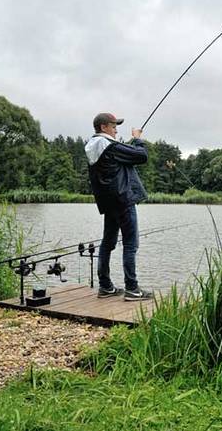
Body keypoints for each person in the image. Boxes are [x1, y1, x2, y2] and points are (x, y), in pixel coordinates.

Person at [84, 112, 153, 301]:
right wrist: (138, 139)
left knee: (107, 243)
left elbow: (118, 158)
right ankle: (132, 289)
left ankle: (105, 286)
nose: (116, 130)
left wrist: (128, 145)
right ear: (103, 127)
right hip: (123, 201)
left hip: (109, 203)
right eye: (114, 126)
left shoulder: (93, 146)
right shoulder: (109, 146)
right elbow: (141, 156)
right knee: (131, 244)